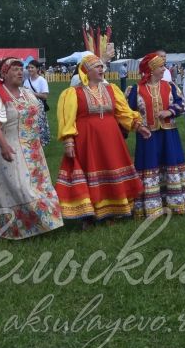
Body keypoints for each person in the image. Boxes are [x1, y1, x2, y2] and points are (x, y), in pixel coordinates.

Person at [55, 54, 150, 224]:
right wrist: (68, 140)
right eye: (97, 67)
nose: (102, 69)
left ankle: (113, 211)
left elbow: (123, 112)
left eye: (101, 66)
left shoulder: (111, 89)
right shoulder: (73, 93)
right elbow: (66, 118)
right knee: (89, 171)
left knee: (111, 169)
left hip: (111, 139)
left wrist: (138, 126)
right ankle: (89, 215)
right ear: (86, 71)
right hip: (87, 140)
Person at [0, 57, 63, 239]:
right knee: (20, 186)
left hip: (32, 149)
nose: (20, 72)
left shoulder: (27, 93)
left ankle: (43, 224)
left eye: (21, 69)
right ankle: (18, 226)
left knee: (39, 184)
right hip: (11, 147)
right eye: (15, 69)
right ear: (5, 73)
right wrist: (4, 147)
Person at [128, 53, 185, 217]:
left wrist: (169, 111)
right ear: (152, 69)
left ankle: (174, 202)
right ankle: (151, 206)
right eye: (161, 66)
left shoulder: (169, 86)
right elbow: (128, 112)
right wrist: (138, 125)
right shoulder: (136, 89)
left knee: (170, 162)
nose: (164, 69)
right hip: (147, 136)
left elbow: (181, 104)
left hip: (169, 133)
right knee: (150, 165)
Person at [23, 60, 51, 146]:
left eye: (32, 67)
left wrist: (32, 93)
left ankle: (40, 145)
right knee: (29, 125)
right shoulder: (27, 81)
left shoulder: (41, 80)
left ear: (37, 69)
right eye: (29, 67)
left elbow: (45, 96)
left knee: (39, 126)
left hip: (38, 106)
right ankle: (30, 143)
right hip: (28, 106)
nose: (30, 69)